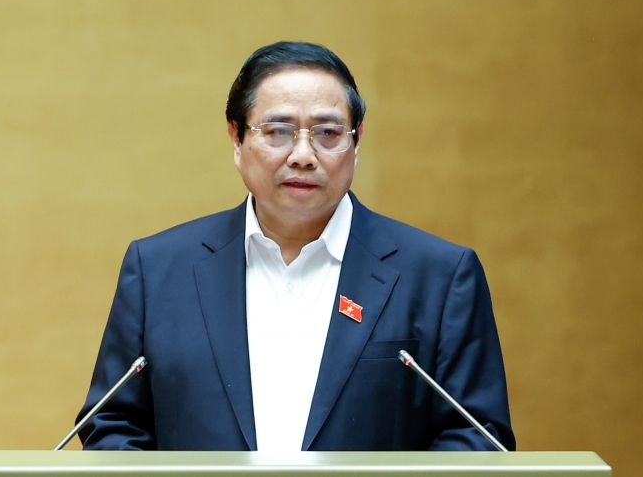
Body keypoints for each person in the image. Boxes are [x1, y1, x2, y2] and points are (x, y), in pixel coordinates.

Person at [76, 41, 515, 451]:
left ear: (356, 141)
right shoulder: (158, 271)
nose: (303, 155)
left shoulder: (440, 277)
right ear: (236, 138)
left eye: (328, 133)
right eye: (278, 131)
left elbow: (476, 438)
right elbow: (113, 426)